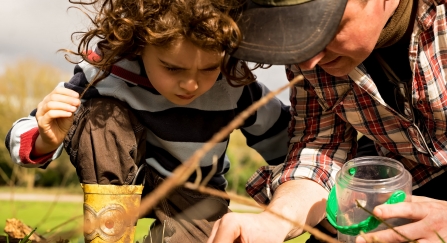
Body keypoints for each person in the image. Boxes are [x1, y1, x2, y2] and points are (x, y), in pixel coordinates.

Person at [4, 0, 291, 242]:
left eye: (208, 68)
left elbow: (291, 145)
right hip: (117, 179)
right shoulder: (108, 69)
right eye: (172, 67)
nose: (191, 84)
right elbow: (20, 135)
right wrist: (44, 140)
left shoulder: (232, 82)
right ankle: (108, 234)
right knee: (100, 114)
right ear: (140, 44)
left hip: (196, 193)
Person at [207, 0, 447, 242]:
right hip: (403, 177)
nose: (307, 62)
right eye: (299, 36)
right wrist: (273, 222)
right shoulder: (310, 56)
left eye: (327, 29)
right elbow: (319, 150)